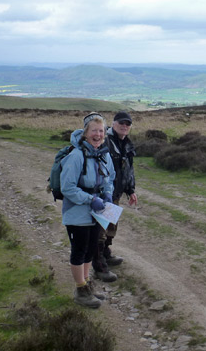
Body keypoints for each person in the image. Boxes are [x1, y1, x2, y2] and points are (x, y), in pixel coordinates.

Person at [60, 112, 115, 308]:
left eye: (101, 131)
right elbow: (68, 188)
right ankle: (80, 291)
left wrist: (108, 194)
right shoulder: (76, 156)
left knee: (91, 250)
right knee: (79, 251)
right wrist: (90, 199)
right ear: (85, 133)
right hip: (77, 212)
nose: (98, 135)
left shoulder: (104, 154)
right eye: (94, 131)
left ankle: (86, 285)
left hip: (96, 213)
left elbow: (110, 179)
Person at [92, 110, 138, 281]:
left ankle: (106, 253)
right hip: (104, 194)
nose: (125, 126)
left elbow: (128, 169)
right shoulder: (105, 141)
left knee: (111, 226)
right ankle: (99, 265)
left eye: (128, 124)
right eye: (121, 123)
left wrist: (131, 190)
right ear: (113, 123)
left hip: (116, 193)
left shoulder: (126, 143)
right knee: (101, 229)